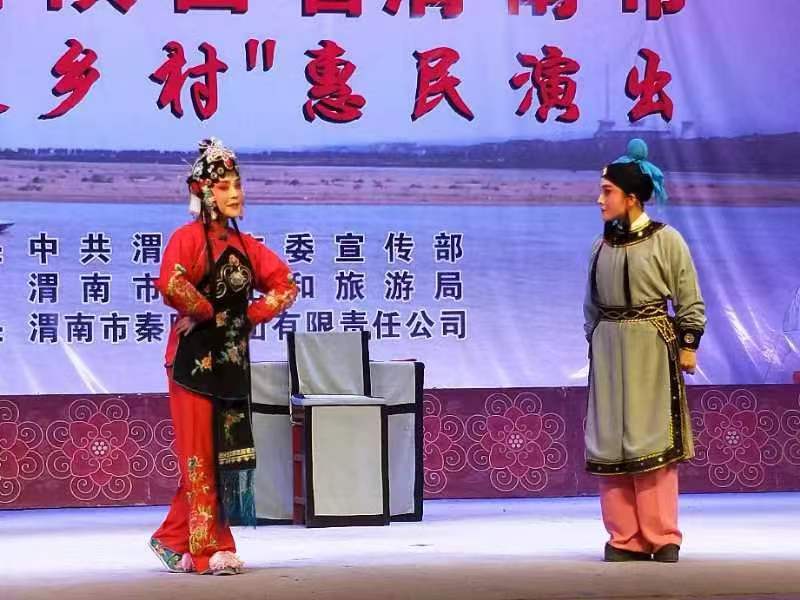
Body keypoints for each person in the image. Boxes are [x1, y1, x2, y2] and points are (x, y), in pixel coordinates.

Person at [149, 138, 298, 575]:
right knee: (199, 456)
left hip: (231, 364)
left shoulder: (246, 246)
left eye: (237, 184)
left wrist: (249, 316)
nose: (235, 193)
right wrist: (205, 311)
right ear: (205, 193)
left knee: (221, 456)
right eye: (224, 186)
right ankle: (204, 550)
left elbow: (285, 285)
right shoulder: (187, 239)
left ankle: (173, 538)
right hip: (192, 364)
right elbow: (171, 282)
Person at [583, 139, 706, 563]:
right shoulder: (601, 246)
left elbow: (689, 297)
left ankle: (661, 535)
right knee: (610, 438)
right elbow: (590, 304)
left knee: (650, 437)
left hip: (651, 345)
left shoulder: (666, 240)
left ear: (632, 198)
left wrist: (687, 344)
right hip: (608, 347)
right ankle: (624, 537)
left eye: (607, 192)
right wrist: (595, 342)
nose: (600, 200)